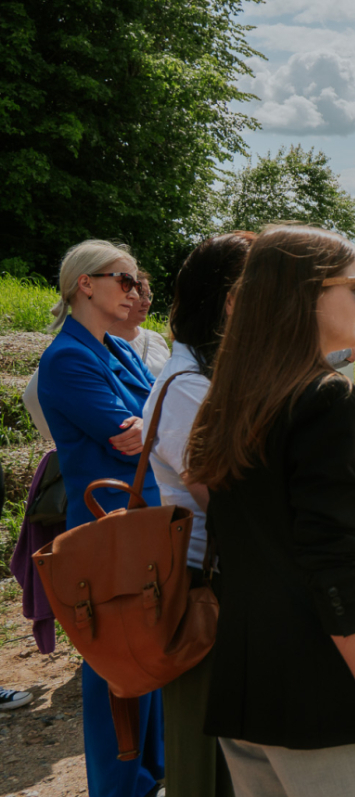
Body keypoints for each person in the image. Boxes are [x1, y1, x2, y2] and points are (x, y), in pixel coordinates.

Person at [184, 224, 355, 794]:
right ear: (304, 294)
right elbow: (334, 565)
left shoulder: (234, 398)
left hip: (251, 689)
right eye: (354, 287)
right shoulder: (327, 397)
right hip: (331, 699)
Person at [36, 239, 165, 796]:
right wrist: (155, 418)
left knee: (152, 654)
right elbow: (130, 436)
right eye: (125, 280)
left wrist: (152, 419)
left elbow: (153, 418)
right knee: (116, 665)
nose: (135, 292)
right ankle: (120, 787)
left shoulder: (116, 349)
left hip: (143, 522)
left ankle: (153, 773)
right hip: (108, 531)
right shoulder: (67, 356)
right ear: (85, 283)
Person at [142, 231, 256, 797]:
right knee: (203, 754)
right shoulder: (189, 388)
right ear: (232, 300)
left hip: (216, 576)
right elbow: (224, 495)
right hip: (202, 586)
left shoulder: (204, 374)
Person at [113, 272, 169, 376]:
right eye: (140, 295)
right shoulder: (98, 341)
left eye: (149, 296)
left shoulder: (156, 340)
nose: (147, 302)